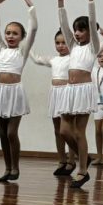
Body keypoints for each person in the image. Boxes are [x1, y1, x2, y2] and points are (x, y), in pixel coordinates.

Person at [0, 0, 37, 182]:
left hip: (15, 92)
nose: (10, 36)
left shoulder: (22, 51)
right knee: (2, 133)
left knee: (11, 132)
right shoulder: (0, 49)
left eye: (15, 33)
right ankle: (7, 167)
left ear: (22, 37)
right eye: (8, 33)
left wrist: (31, 8)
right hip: (0, 91)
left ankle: (16, 167)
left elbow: (33, 29)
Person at [57, 0, 99, 188]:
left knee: (79, 132)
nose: (77, 33)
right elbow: (63, 25)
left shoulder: (93, 46)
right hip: (70, 90)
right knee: (64, 131)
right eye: (76, 30)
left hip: (84, 90)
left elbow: (92, 21)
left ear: (90, 32)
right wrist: (61, 3)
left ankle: (82, 170)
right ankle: (85, 157)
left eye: (81, 30)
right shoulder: (73, 46)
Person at [31, 29, 73, 175]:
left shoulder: (74, 58)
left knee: (68, 130)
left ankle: (71, 160)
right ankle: (62, 160)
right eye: (57, 43)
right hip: (55, 94)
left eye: (64, 43)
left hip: (67, 93)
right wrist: (27, 45)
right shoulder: (53, 59)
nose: (60, 46)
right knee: (57, 130)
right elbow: (37, 59)